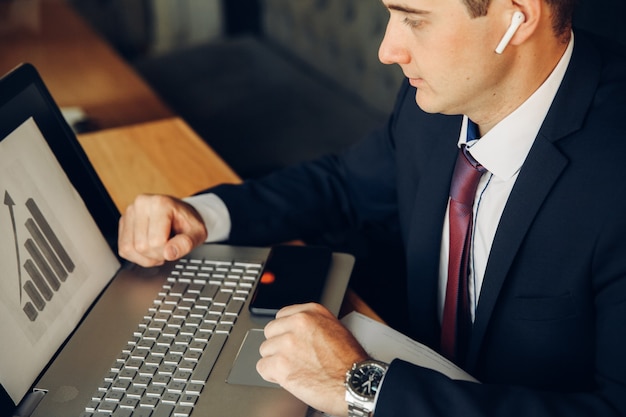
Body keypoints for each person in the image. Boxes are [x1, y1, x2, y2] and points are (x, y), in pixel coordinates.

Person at [118, 0, 626, 415]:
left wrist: (362, 387)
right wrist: (204, 215)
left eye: (415, 19)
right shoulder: (442, 97)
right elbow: (344, 184)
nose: (388, 49)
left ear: (518, 17)